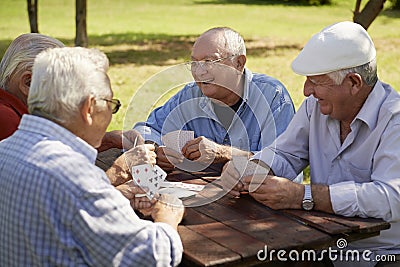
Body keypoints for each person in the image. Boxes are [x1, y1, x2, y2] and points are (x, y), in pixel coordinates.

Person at [222, 22, 400, 266]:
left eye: (316, 82)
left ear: (354, 83)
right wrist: (255, 167)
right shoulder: (315, 107)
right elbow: (285, 153)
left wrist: (303, 196)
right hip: (322, 244)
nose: (306, 91)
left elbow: (390, 197)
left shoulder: (395, 120)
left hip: (383, 252)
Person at [0, 47, 184, 266]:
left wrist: (112, 197)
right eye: (110, 105)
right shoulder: (75, 176)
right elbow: (152, 256)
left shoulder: (6, 148)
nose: (109, 115)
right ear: (89, 108)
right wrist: (168, 215)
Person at [134, 27, 297, 174]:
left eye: (209, 62)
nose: (199, 72)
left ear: (239, 63)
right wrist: (155, 149)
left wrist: (223, 153)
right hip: (205, 195)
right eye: (194, 63)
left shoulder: (273, 96)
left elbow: (282, 163)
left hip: (260, 202)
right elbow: (147, 129)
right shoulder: (191, 94)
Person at [0, 33, 143, 170]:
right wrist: (118, 172)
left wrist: (104, 140)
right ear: (28, 83)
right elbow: (55, 175)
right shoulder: (7, 119)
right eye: (64, 83)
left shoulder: (19, 113)